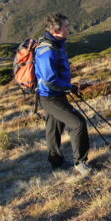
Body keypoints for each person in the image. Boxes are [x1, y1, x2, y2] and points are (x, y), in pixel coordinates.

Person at [35, 13, 92, 176]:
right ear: (55, 30)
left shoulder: (56, 44)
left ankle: (56, 163)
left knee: (53, 128)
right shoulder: (48, 50)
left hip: (53, 94)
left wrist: (68, 87)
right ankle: (80, 163)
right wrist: (68, 87)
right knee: (78, 123)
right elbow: (49, 80)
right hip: (50, 97)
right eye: (66, 26)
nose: (69, 29)